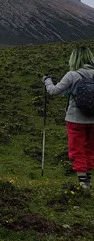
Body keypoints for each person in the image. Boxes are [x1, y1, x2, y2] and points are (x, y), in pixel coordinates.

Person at [43, 46, 94, 189]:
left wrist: (47, 81)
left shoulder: (72, 75)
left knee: (77, 150)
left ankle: (83, 183)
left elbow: (53, 91)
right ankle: (88, 182)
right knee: (90, 149)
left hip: (75, 119)